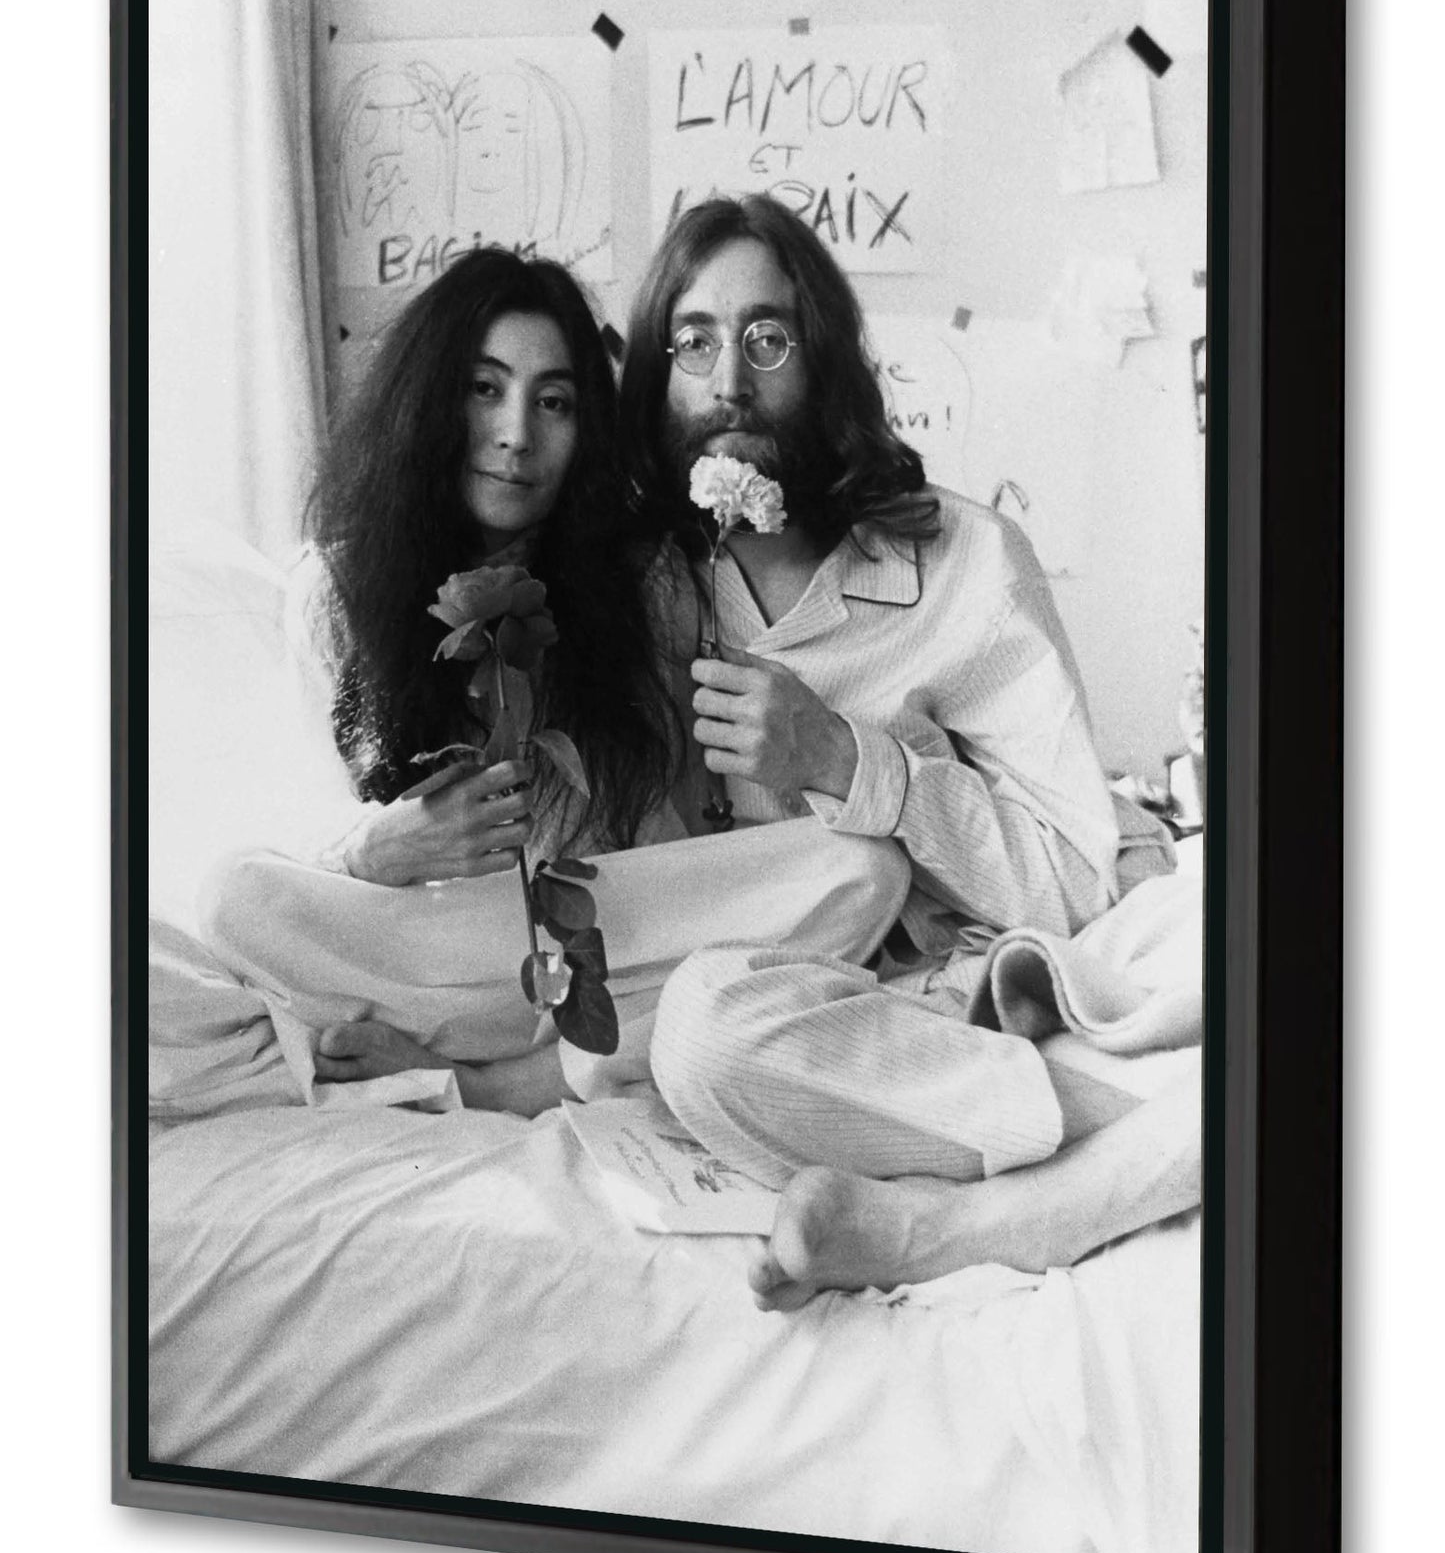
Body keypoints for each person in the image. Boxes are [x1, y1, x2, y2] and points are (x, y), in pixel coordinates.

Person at [611, 193, 1193, 1302]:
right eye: (692, 342)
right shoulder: (630, 595)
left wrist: (846, 760)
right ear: (656, 374)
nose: (729, 381)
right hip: (814, 1032)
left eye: (767, 339)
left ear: (823, 359)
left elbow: (1074, 882)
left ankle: (1017, 1192)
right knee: (699, 1034)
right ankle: (1134, 1145)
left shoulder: (968, 561)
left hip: (993, 991)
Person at [200, 246, 907, 1112]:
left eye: (554, 402)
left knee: (864, 868)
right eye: (484, 388)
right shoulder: (333, 592)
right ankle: (533, 1048)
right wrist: (378, 848)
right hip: (435, 942)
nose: (516, 435)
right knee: (233, 896)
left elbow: (662, 835)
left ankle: (494, 1081)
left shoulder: (641, 578)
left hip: (607, 929)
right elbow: (315, 825)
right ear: (427, 399)